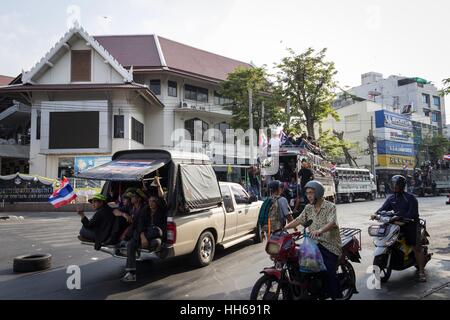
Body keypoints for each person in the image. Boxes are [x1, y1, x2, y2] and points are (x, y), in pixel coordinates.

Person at [284, 180, 343, 299]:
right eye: (307, 193)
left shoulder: (330, 206)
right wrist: (284, 227)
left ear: (319, 193)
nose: (309, 195)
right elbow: (299, 220)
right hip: (313, 244)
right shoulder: (308, 208)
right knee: (299, 263)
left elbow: (332, 222)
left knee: (327, 271)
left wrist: (320, 231)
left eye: (311, 193)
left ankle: (337, 296)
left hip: (329, 244)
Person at [372, 175, 426, 282]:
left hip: (411, 225)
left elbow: (412, 213)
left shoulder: (410, 198)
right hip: (397, 224)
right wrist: (376, 214)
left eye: (396, 184)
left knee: (417, 248)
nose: (394, 186)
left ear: (401, 185)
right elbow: (382, 209)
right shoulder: (391, 198)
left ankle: (421, 272)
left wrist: (401, 217)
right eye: (392, 184)